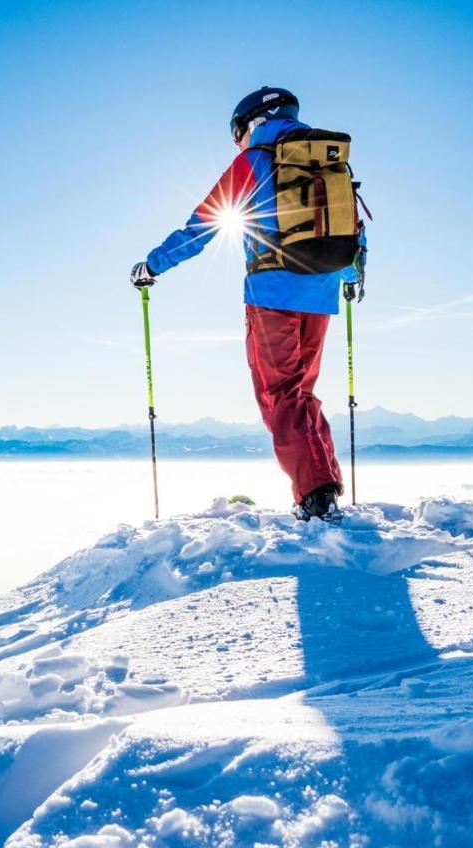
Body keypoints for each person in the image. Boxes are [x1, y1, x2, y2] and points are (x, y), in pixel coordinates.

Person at [129, 87, 366, 522]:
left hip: (272, 293)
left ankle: (316, 498)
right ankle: (324, 483)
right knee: (300, 393)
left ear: (253, 122)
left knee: (279, 398)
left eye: (238, 132)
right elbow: (350, 232)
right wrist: (351, 279)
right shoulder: (329, 162)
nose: (239, 142)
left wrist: (154, 264)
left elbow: (203, 225)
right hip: (322, 295)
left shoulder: (254, 162)